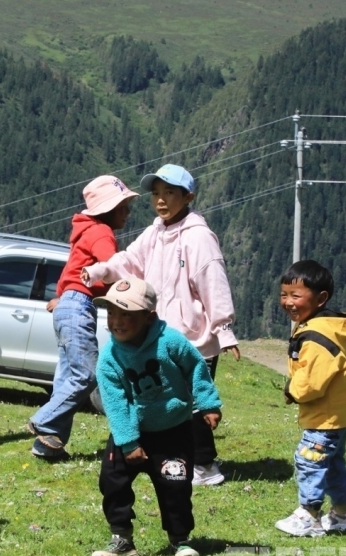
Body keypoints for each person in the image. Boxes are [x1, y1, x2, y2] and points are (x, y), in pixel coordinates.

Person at [82, 163, 238, 486]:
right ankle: (187, 460)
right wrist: (100, 271)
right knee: (171, 399)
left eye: (169, 193)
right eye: (155, 194)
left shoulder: (198, 237)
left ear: (188, 196)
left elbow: (213, 281)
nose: (161, 200)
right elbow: (129, 261)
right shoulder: (155, 233)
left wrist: (223, 329)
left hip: (194, 338)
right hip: (161, 336)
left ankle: (205, 466)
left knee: (193, 399)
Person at [90, 277, 220, 556]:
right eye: (111, 312)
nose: (117, 321)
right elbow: (116, 404)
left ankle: (180, 540)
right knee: (113, 481)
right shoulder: (110, 357)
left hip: (173, 430)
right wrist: (128, 442)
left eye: (126, 314)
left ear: (149, 317)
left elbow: (196, 368)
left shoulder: (170, 341)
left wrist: (208, 403)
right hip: (130, 432)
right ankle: (122, 539)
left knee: (175, 487)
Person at [27, 175, 136, 460]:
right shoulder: (102, 232)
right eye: (123, 207)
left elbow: (73, 270)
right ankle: (42, 420)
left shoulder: (85, 231)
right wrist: (134, 290)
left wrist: (63, 296)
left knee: (66, 378)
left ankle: (48, 446)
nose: (127, 212)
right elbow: (111, 268)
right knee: (87, 374)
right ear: (108, 209)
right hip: (79, 306)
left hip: (69, 304)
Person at [275, 260, 346, 536]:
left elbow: (312, 381)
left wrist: (292, 389)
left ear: (321, 298)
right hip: (336, 413)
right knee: (332, 463)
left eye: (296, 295)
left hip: (325, 415)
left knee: (309, 460)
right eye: (284, 294)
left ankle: (309, 514)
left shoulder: (316, 336)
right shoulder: (318, 326)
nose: (288, 302)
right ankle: (343, 514)